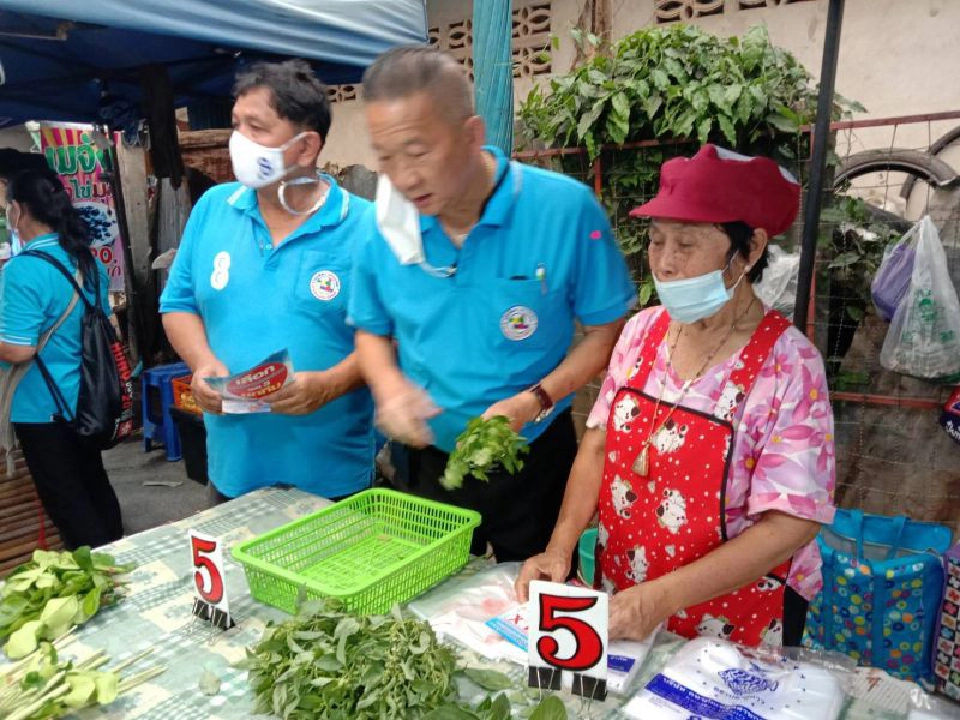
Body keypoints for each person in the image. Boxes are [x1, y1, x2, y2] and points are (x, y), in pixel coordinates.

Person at [517, 145, 837, 648]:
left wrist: (661, 597)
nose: (664, 264)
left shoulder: (789, 366)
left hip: (734, 619)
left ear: (749, 249)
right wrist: (559, 548)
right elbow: (598, 447)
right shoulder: (641, 332)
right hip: (624, 596)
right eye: (656, 241)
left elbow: (791, 522)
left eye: (686, 244)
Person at [349, 47, 636, 562]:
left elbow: (607, 331)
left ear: (472, 135)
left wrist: (537, 399)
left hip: (532, 458)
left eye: (418, 151)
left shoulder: (563, 210)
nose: (404, 178)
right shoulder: (384, 227)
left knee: (532, 607)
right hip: (427, 460)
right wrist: (390, 387)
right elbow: (370, 328)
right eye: (386, 158)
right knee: (426, 610)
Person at [160, 60, 375, 502]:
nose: (238, 141)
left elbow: (391, 337)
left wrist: (331, 384)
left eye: (257, 128)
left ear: (305, 147)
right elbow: (178, 304)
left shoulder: (366, 228)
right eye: (236, 125)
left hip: (333, 478)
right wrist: (202, 363)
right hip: (232, 471)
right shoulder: (213, 208)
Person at [0, 168, 123, 549]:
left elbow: (20, 349)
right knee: (93, 484)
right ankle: (120, 552)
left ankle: (106, 576)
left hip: (43, 408)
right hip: (87, 397)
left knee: (67, 502)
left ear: (18, 210)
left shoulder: (22, 270)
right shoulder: (85, 259)